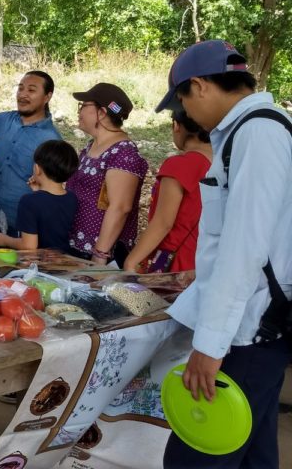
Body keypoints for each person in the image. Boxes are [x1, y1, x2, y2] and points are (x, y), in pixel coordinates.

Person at [154, 40, 292, 468]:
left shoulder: (257, 133)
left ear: (198, 86)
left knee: (195, 457)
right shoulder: (253, 131)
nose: (186, 115)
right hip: (256, 325)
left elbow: (244, 246)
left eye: (182, 102)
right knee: (253, 453)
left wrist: (210, 346)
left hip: (248, 331)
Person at [0, 66, 62, 241]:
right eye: (20, 88)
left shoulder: (51, 139)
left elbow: (53, 191)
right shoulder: (7, 120)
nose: (23, 94)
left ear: (47, 96)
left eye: (31, 90)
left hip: (23, 226)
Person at [65, 83, 148, 267]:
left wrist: (100, 253)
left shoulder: (123, 153)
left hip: (100, 255)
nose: (79, 111)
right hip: (78, 247)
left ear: (102, 113)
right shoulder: (92, 145)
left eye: (83, 106)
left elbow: (120, 207)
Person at [123, 110, 212, 273]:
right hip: (208, 261)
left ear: (176, 126)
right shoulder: (225, 165)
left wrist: (131, 261)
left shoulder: (179, 165)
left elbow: (163, 223)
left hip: (174, 263)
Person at [0, 140, 79, 252]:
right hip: (65, 258)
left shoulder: (29, 202)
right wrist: (37, 192)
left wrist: (4, 240)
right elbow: (51, 211)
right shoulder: (72, 198)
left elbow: (29, 246)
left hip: (39, 261)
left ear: (37, 168)